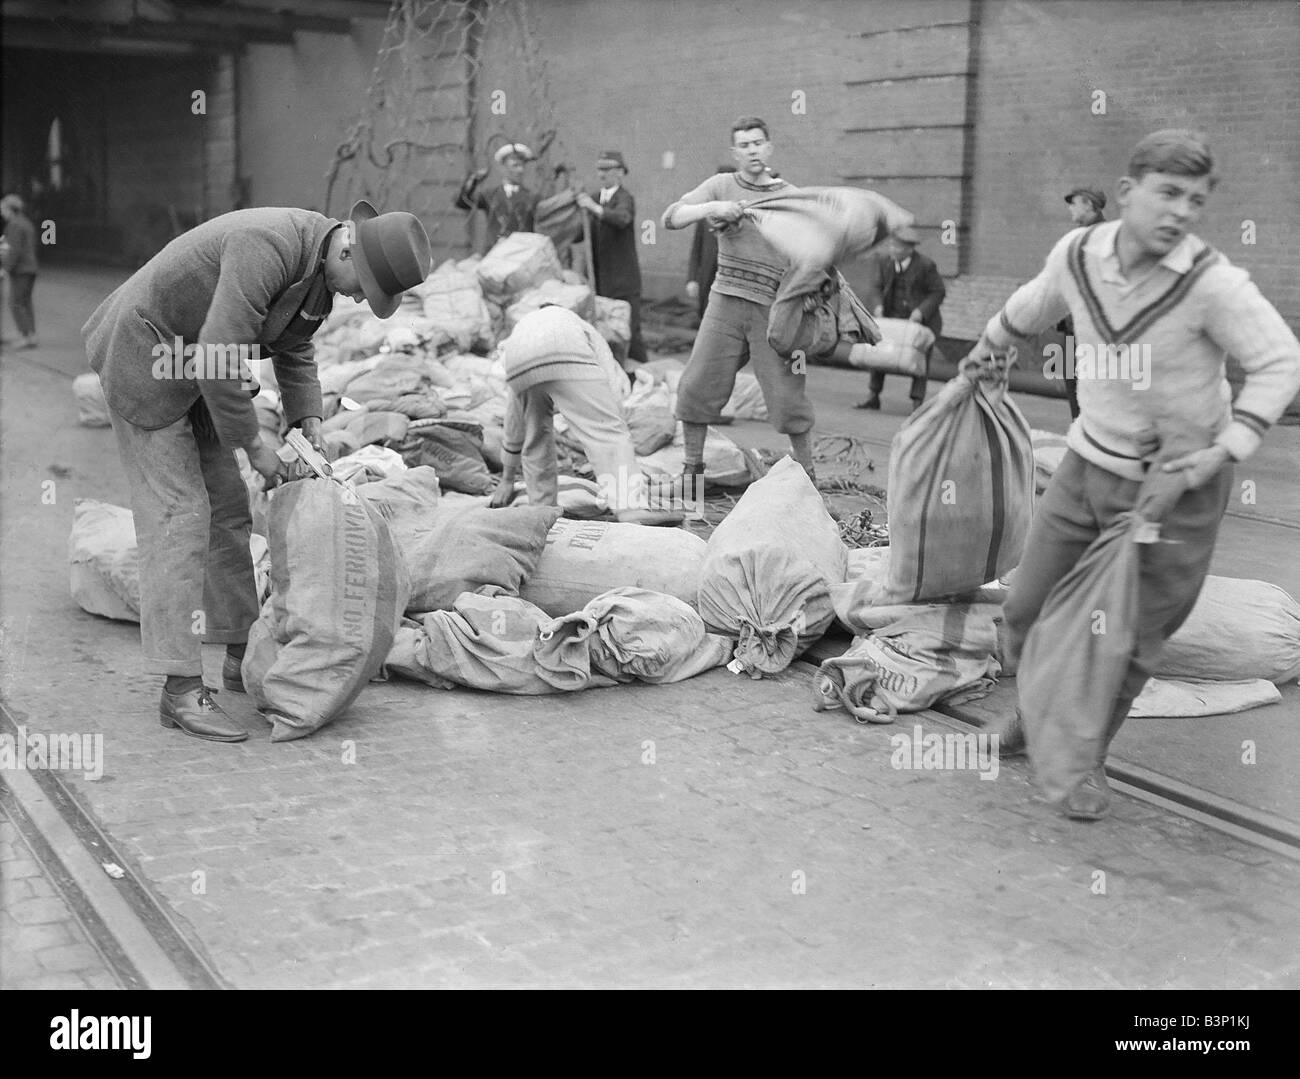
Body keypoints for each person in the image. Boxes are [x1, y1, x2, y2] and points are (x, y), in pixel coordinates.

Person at [963, 130, 1300, 819]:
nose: (1180, 211)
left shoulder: (1213, 284)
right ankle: (1031, 718)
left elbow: (1281, 361)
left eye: (1196, 200)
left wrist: (1230, 445)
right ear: (1127, 192)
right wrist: (989, 347)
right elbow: (1031, 307)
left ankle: (1087, 755)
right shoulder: (1079, 253)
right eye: (1167, 192)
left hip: (1175, 490)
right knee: (1025, 611)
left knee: (1126, 637)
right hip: (1088, 466)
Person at [83, 201, 431, 743]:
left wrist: (307, 420)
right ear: (347, 247)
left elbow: (295, 347)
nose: (359, 298)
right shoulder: (265, 245)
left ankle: (240, 653)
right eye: (362, 285)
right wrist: (256, 448)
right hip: (147, 354)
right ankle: (178, 690)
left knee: (227, 509)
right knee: (180, 516)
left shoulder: (322, 270)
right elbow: (221, 353)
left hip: (196, 365)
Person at [661, 117, 814, 500]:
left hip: (772, 311)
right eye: (744, 146)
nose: (752, 151)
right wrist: (714, 208)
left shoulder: (790, 196)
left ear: (769, 148)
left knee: (789, 397)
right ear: (735, 153)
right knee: (696, 385)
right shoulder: (721, 185)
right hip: (725, 303)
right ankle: (692, 475)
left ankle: (809, 482)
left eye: (758, 143)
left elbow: (812, 251)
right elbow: (671, 216)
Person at [488, 304, 681, 526]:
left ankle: (542, 511)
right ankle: (630, 509)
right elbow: (610, 384)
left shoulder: (521, 334)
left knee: (536, 436)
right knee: (607, 433)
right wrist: (614, 423)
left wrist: (507, 479)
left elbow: (514, 423)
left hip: (518, 364)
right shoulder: (578, 326)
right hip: (566, 350)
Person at [855, 224, 945, 413]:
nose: (892, 250)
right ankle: (873, 396)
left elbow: (938, 292)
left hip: (920, 322)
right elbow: (877, 287)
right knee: (878, 354)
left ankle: (917, 402)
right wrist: (878, 306)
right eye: (891, 246)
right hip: (892, 317)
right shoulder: (886, 262)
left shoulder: (925, 266)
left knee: (919, 360)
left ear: (910, 249)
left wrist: (921, 311)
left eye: (897, 247)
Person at [576, 150, 646, 366]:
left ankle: (641, 373)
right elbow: (582, 232)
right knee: (604, 330)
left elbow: (621, 218)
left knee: (629, 330)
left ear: (619, 173)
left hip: (623, 281)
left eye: (606, 170)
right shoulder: (594, 198)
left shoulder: (624, 199)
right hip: (600, 280)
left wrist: (594, 209)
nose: (601, 175)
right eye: (599, 169)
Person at [1057, 185, 1108, 418]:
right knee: (1072, 386)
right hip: (1070, 328)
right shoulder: (1077, 238)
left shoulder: (1103, 238)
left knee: (1090, 392)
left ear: (1089, 204)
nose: (1070, 208)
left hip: (1091, 332)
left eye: (1074, 202)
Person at [455, 142, 540, 252]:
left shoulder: (533, 198)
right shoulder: (490, 195)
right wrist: (473, 181)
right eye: (515, 165)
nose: (520, 170)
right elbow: (463, 202)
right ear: (503, 168)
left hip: (522, 253)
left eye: (522, 166)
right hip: (494, 252)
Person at [685, 165, 737, 322]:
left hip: (731, 281)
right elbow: (696, 249)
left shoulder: (740, 214)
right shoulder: (706, 213)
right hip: (707, 279)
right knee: (706, 318)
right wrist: (692, 279)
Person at [1, 194, 39, 349]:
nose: (2, 212)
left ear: (10, 209)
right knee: (26, 302)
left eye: (3, 208)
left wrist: (4, 268)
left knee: (15, 302)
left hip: (21, 269)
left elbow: (14, 250)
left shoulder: (14, 225)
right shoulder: (26, 222)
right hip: (31, 267)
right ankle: (31, 335)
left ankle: (25, 336)